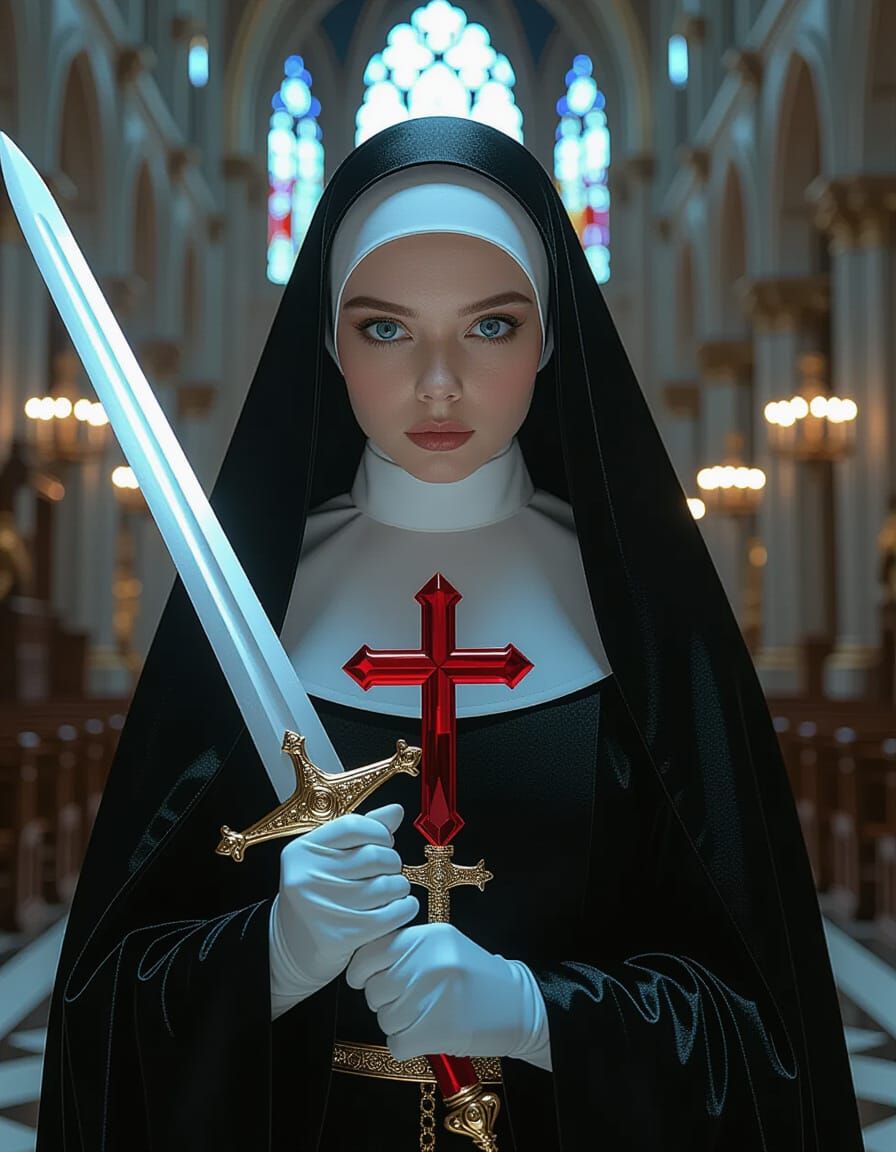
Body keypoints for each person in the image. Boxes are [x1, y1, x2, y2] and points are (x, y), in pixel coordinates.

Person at [35, 116, 862, 1151]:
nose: (437, 382)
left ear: (551, 336)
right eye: (384, 328)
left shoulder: (646, 633)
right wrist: (275, 954)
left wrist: (534, 1015)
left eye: (490, 326)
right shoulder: (240, 623)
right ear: (328, 342)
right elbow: (103, 1021)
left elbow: (764, 1043)